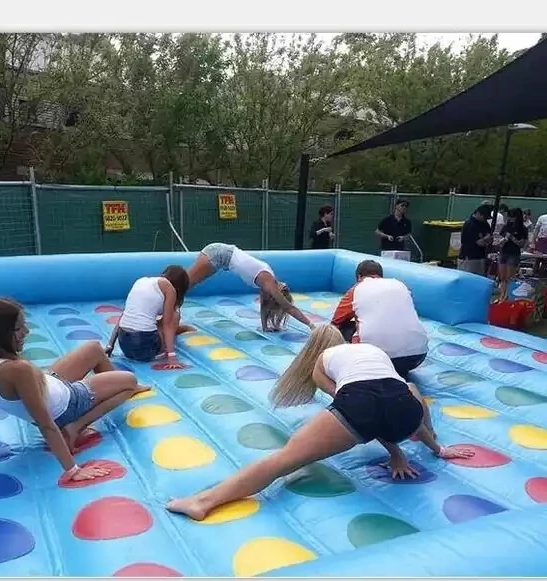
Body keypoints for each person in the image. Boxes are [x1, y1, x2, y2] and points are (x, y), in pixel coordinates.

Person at [166, 324, 474, 521]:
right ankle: (435, 445)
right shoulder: (372, 351)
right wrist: (430, 447)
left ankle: (204, 501)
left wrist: (393, 449)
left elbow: (359, 405)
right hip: (407, 412)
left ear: (315, 347)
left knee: (282, 461)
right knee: (405, 391)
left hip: (363, 404)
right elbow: (386, 398)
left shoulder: (323, 359)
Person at [0, 297, 148, 482]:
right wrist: (73, 471)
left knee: (94, 349)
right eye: (19, 328)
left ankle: (110, 387)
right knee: (129, 381)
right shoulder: (17, 370)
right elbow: (46, 424)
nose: (27, 332)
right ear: (1, 334)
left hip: (48, 385)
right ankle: (75, 427)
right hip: (69, 403)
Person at [330, 259, 435, 438]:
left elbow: (335, 322)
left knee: (344, 328)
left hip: (378, 358)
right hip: (417, 355)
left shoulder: (357, 289)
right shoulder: (400, 285)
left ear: (359, 277)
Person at [186, 242, 314, 332]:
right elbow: (289, 308)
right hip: (218, 254)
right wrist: (311, 325)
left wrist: (265, 327)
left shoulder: (268, 282)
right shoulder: (269, 283)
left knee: (188, 284)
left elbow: (264, 305)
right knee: (185, 283)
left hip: (221, 256)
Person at [105, 265, 193, 369]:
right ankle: (182, 331)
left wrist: (110, 346)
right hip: (145, 348)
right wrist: (172, 358)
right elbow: (167, 324)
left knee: (146, 318)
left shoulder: (141, 281)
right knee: (174, 314)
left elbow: (123, 317)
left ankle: (183, 329)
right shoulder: (169, 288)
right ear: (179, 287)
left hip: (124, 345)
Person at [497, 207, 528, 301]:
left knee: (509, 277)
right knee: (502, 277)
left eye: (512, 217)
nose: (509, 219)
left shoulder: (523, 229)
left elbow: (522, 244)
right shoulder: (506, 226)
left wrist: (512, 238)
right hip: (504, 252)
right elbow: (500, 238)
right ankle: (501, 296)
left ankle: (507, 296)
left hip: (513, 253)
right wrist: (502, 241)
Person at [457, 203, 493, 276]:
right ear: (478, 213)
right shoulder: (470, 224)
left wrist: (487, 239)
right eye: (484, 217)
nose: (485, 219)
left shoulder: (485, 224)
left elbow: (490, 239)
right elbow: (479, 243)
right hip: (469, 258)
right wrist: (486, 238)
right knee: (467, 279)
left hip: (481, 257)